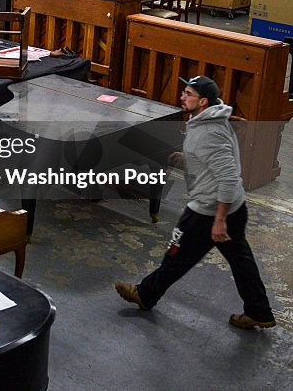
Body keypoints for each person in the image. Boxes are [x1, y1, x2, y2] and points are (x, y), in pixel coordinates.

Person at [115, 75, 275, 329]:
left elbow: (229, 178)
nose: (182, 96)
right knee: (240, 261)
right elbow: (209, 160)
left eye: (187, 94)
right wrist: (186, 159)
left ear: (202, 101)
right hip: (231, 208)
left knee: (177, 254)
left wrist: (220, 220)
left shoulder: (211, 132)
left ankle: (145, 295)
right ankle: (260, 312)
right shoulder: (206, 120)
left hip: (210, 210)